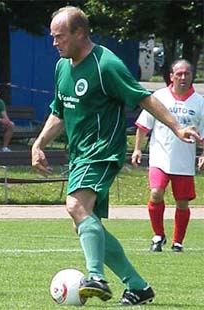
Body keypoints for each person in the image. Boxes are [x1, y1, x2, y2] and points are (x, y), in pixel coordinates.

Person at [31, 6, 202, 306]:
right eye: (53, 37)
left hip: (101, 152)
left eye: (59, 37)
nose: (54, 43)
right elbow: (59, 111)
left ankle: (96, 277)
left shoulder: (106, 64)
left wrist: (175, 127)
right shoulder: (62, 67)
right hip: (80, 154)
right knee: (84, 222)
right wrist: (39, 143)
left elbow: (143, 97)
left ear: (80, 33)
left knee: (75, 206)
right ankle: (137, 286)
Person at [132, 59, 204, 253]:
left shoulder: (199, 102)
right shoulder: (159, 97)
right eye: (178, 74)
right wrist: (137, 149)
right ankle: (158, 235)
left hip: (184, 161)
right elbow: (143, 126)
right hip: (160, 158)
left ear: (192, 76)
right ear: (171, 76)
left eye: (186, 73)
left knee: (182, 202)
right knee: (156, 193)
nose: (182, 77)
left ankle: (177, 241)